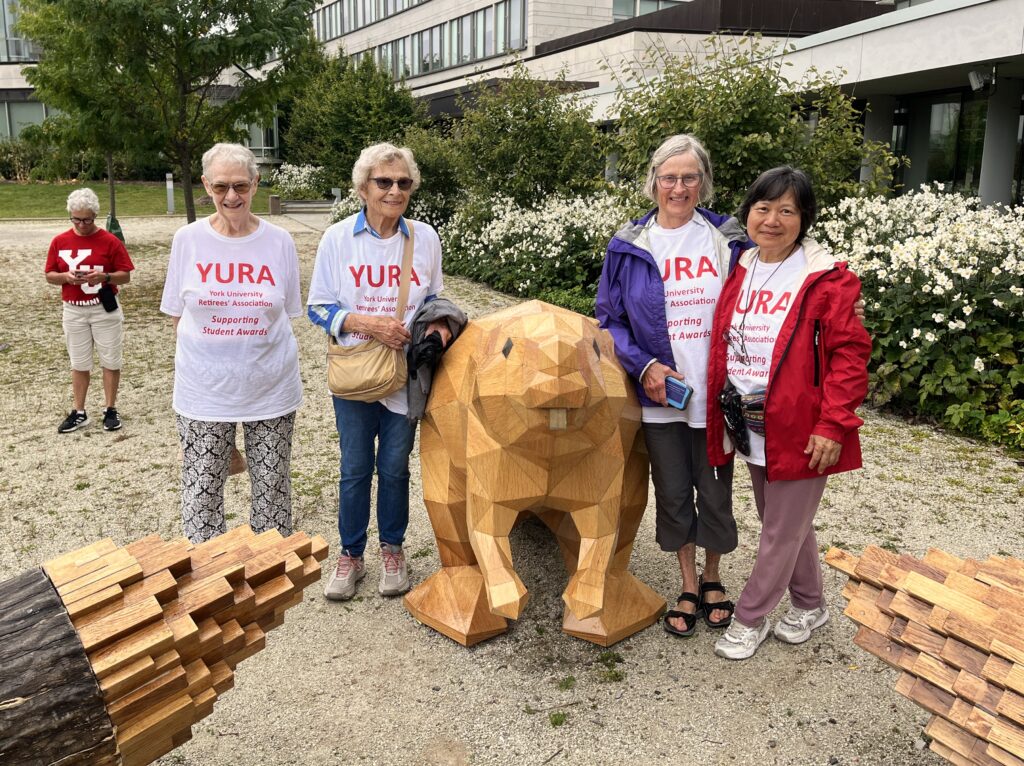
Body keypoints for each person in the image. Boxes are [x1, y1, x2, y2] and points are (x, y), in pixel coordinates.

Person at [706, 167, 871, 660]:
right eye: (763, 208)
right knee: (782, 520)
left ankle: (749, 618)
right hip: (751, 419)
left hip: (802, 425)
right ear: (748, 214)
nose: (772, 220)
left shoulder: (826, 279)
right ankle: (811, 603)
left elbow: (849, 356)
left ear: (804, 219)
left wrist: (833, 424)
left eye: (786, 210)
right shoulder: (741, 266)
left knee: (780, 528)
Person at [596, 134, 752, 638]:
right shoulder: (628, 245)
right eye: (669, 177)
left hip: (715, 394)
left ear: (702, 182)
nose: (679, 187)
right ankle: (686, 582)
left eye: (689, 177)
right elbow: (609, 320)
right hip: (660, 394)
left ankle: (713, 578)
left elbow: (777, 283)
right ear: (654, 183)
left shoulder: (728, 239)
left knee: (715, 490)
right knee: (672, 491)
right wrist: (645, 368)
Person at [308, 142, 450, 601]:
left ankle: (393, 548)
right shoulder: (337, 239)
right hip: (356, 370)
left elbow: (435, 302)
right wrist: (368, 324)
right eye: (383, 182)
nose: (394, 190)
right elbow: (318, 307)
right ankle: (351, 553)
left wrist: (438, 333)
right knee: (354, 468)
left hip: (405, 374)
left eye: (403, 183)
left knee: (393, 468)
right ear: (363, 188)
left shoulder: (424, 238)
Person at [160, 143, 303, 545]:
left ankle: (269, 583)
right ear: (206, 185)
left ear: (256, 183)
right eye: (220, 187)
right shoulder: (187, 240)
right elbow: (177, 314)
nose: (231, 197)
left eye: (241, 185)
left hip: (270, 388)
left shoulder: (280, 242)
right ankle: (208, 587)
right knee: (202, 491)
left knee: (272, 491)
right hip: (204, 392)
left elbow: (286, 311)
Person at [45, 188, 135, 433]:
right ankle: (79, 411)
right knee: (79, 363)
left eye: (87, 219)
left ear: (95, 216)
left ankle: (110, 409)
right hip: (74, 310)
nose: (82, 224)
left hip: (103, 309)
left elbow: (125, 275)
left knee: (110, 360)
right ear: (70, 216)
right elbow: (49, 275)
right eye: (76, 219)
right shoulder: (59, 241)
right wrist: (65, 276)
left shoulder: (109, 241)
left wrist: (105, 276)